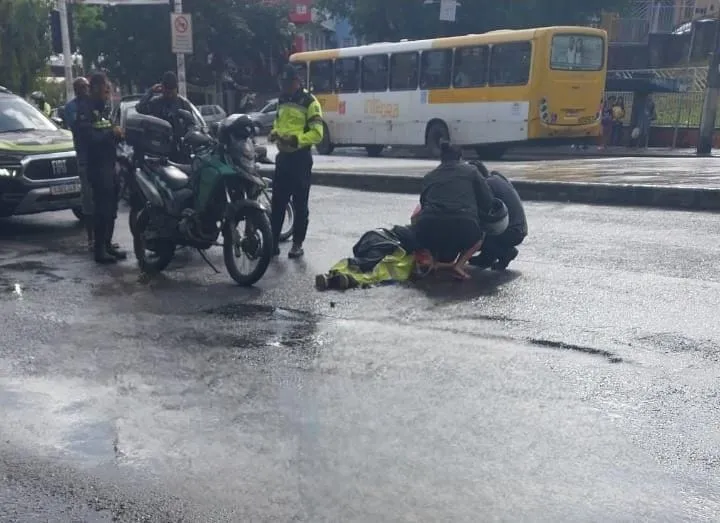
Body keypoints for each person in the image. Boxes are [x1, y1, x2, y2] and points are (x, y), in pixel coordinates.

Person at [413, 141, 494, 280]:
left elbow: (423, 203)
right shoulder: (472, 172)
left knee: (420, 229)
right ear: (460, 157)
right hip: (464, 225)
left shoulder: (429, 176)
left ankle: (432, 261)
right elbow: (488, 201)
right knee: (480, 235)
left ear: (441, 158)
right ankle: (459, 265)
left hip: (429, 227)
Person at [268, 64, 324, 259]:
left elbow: (317, 134)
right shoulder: (282, 99)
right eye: (282, 83)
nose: (284, 86)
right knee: (278, 202)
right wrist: (274, 133)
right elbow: (278, 122)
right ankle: (272, 242)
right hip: (283, 158)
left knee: (300, 203)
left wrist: (296, 140)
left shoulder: (310, 102)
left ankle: (297, 243)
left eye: (287, 83)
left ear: (296, 82)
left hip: (300, 158)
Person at [75, 72, 126, 264]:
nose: (108, 92)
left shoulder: (103, 108)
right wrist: (110, 134)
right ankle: (99, 250)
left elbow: (108, 129)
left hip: (110, 162)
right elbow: (89, 138)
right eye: (105, 89)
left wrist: (118, 134)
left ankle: (107, 244)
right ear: (95, 88)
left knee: (112, 206)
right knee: (101, 208)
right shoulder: (85, 109)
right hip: (97, 165)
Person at [467, 161, 527, 270]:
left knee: (474, 232)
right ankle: (487, 257)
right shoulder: (497, 178)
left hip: (512, 232)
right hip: (519, 228)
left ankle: (506, 253)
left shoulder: (486, 185)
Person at [135, 71, 196, 161]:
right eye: (167, 92)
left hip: (179, 151)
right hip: (158, 150)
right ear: (162, 88)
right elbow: (140, 108)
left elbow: (192, 125)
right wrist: (150, 91)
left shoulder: (183, 104)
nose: (170, 95)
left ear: (176, 89)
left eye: (172, 92)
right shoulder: (155, 103)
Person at [66, 77, 96, 249]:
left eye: (87, 86)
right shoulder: (72, 107)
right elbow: (78, 127)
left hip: (98, 157)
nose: (85, 90)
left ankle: (103, 238)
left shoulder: (94, 104)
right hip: (84, 158)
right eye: (82, 87)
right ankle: (91, 238)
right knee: (88, 199)